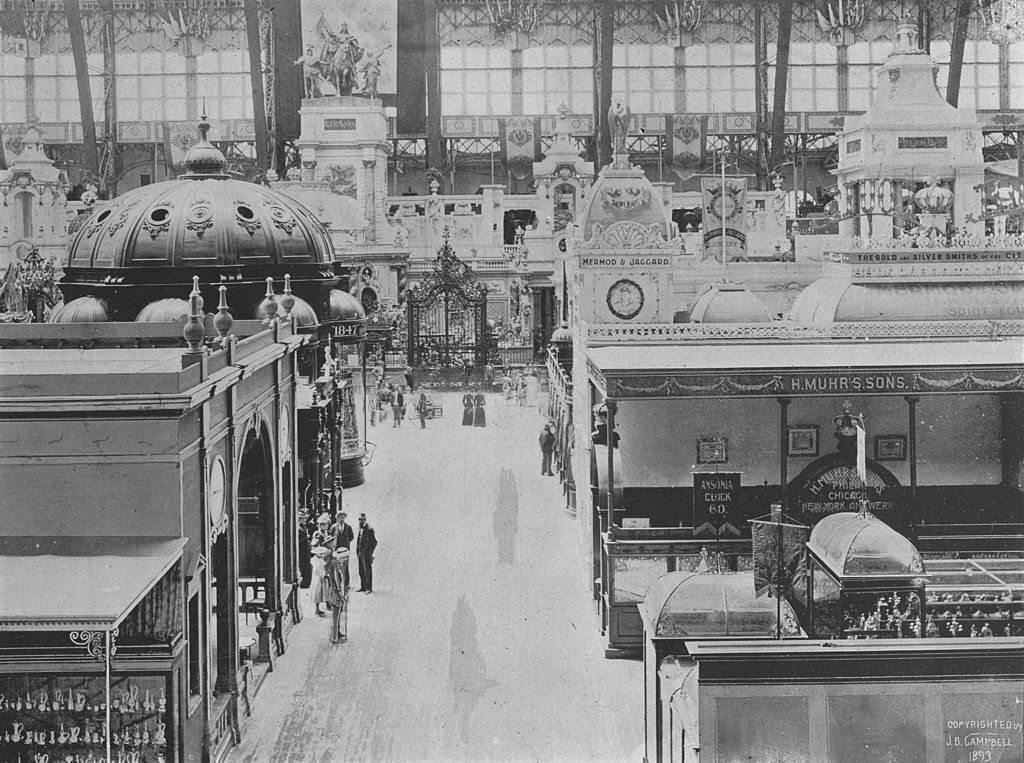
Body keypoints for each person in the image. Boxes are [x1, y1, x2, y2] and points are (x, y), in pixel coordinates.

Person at [310, 513, 336, 616]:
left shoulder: (327, 533)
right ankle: (317, 607)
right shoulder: (317, 534)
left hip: (327, 560)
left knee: (327, 583)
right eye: (323, 524)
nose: (325, 526)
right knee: (318, 585)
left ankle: (328, 602)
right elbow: (314, 548)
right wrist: (322, 552)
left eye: (326, 524)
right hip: (320, 561)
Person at [323, 549, 349, 643]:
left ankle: (337, 633)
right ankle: (334, 637)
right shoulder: (334, 565)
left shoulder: (338, 564)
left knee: (337, 615)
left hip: (338, 592)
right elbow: (336, 583)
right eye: (344, 557)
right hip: (335, 594)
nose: (345, 559)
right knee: (335, 616)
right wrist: (341, 596)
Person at [356, 512, 378, 593]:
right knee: (361, 570)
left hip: (366, 554)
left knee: (367, 571)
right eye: (359, 519)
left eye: (362, 519)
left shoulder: (369, 529)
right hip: (360, 553)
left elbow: (374, 542)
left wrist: (370, 552)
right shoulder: (360, 528)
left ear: (365, 519)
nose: (360, 521)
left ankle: (369, 588)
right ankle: (363, 586)